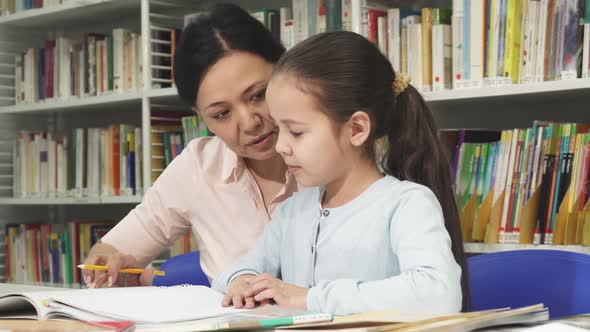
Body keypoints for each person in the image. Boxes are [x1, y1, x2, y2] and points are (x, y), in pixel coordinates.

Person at [212, 31, 469, 315]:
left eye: (296, 132)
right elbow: (243, 267)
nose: (281, 146)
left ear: (356, 129)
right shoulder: (294, 211)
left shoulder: (406, 204)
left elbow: (437, 293)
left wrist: (310, 299)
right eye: (278, 127)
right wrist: (241, 281)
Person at [82, 4, 300, 288]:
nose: (249, 123)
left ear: (286, 71)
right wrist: (109, 268)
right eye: (222, 114)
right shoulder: (198, 167)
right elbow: (109, 250)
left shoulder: (337, 152)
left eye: (258, 95)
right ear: (201, 117)